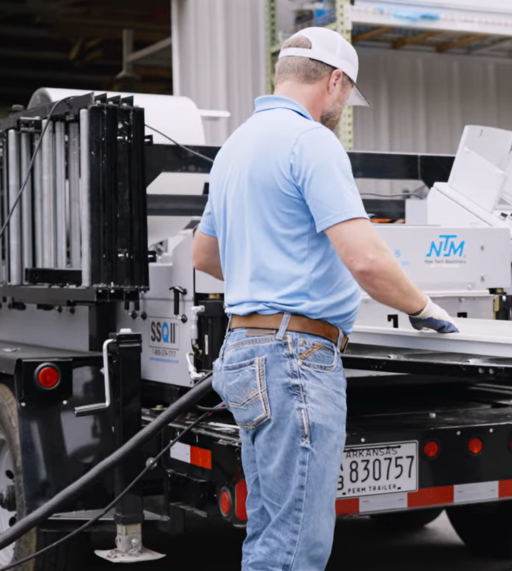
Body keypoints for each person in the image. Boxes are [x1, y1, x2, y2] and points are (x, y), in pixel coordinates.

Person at [191, 27, 458, 571]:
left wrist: (271, 267)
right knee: (295, 548)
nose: (341, 108)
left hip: (246, 351)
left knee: (269, 533)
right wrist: (425, 310)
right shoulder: (311, 141)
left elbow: (204, 255)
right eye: (346, 94)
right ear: (334, 81)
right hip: (297, 359)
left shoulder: (236, 147)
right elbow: (366, 260)